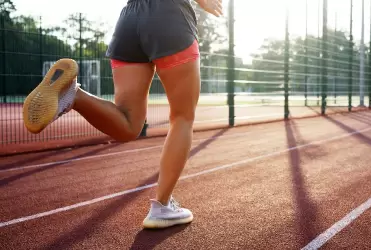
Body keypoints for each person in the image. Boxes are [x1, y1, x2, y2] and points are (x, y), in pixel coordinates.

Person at [22, 0, 223, 229]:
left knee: (129, 124)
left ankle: (73, 96)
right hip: (170, 15)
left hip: (129, 19)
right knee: (182, 118)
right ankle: (162, 207)